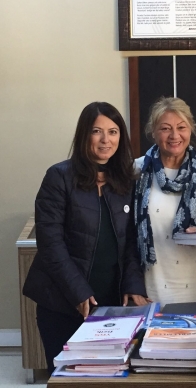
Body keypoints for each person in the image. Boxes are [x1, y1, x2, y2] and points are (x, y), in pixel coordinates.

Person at [23, 102, 148, 374]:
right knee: (69, 377)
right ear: (84, 134)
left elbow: (131, 241)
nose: (106, 140)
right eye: (97, 131)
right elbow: (51, 245)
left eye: (113, 132)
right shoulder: (59, 177)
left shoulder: (126, 180)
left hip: (111, 306)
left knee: (111, 377)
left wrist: (133, 284)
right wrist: (79, 292)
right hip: (63, 304)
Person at [134, 96, 196, 304]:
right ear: (153, 132)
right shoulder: (136, 171)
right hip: (147, 283)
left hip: (193, 281)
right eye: (165, 128)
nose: (174, 135)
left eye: (181, 127)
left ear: (191, 129)